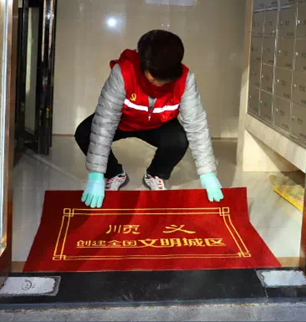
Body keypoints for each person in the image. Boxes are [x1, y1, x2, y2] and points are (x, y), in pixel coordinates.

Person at [74, 30, 223, 208]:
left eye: (165, 78)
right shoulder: (123, 73)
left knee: (179, 140)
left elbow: (196, 125)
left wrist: (208, 174)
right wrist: (96, 174)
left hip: (158, 124)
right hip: (124, 122)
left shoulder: (186, 79)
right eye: (154, 77)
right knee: (85, 133)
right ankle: (113, 173)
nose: (159, 82)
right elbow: (105, 122)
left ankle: (156, 174)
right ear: (143, 65)